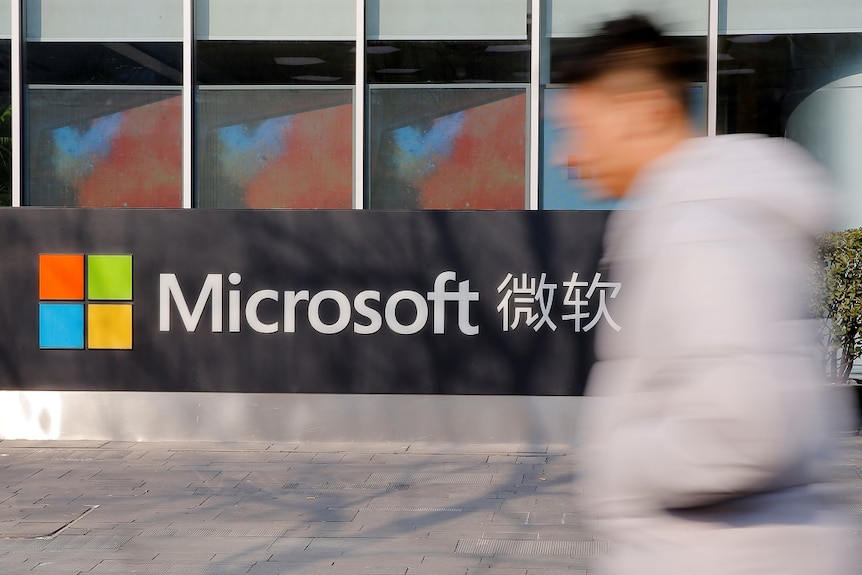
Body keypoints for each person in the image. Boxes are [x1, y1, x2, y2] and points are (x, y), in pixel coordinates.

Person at [554, 14, 858, 575]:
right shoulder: (690, 219)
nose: (566, 156)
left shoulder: (703, 230)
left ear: (645, 110)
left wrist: (620, 462)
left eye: (581, 127)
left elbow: (748, 425)